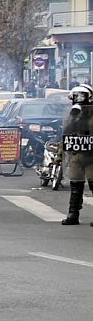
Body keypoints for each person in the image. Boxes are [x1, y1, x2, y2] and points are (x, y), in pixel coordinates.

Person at [60, 84, 93, 225]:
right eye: (76, 96)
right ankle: (73, 214)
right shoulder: (71, 114)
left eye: (82, 96)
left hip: (91, 156)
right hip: (76, 155)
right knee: (75, 185)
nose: (78, 99)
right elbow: (66, 134)